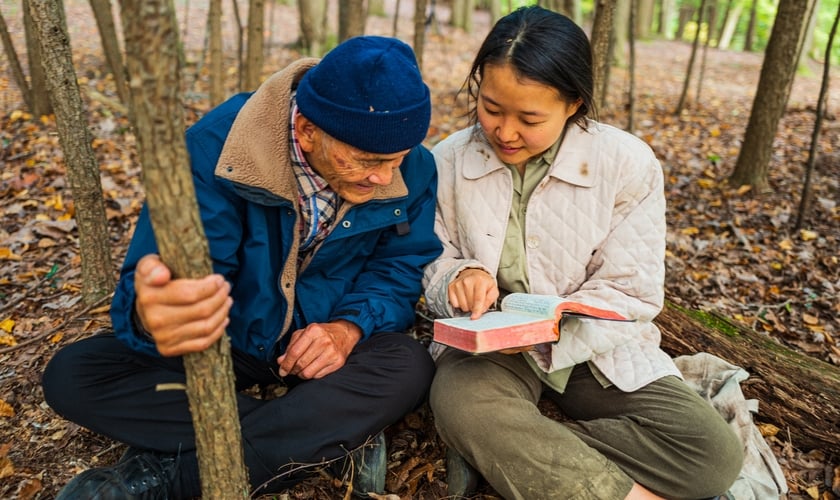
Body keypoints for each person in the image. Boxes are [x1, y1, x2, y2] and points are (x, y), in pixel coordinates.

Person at [42, 35, 442, 499]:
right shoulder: (217, 152)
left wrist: (347, 328)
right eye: (367, 161)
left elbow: (396, 268)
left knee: (407, 365)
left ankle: (163, 481)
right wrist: (154, 316)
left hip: (325, 351)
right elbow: (174, 283)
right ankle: (320, 438)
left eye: (396, 160)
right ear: (309, 130)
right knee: (76, 374)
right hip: (226, 344)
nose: (384, 178)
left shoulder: (412, 168)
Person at [422, 7, 744, 500]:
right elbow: (430, 256)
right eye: (490, 108)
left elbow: (632, 288)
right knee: (463, 406)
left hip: (593, 348)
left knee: (711, 454)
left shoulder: (626, 163)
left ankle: (509, 454)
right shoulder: (447, 160)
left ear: (573, 103)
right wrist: (456, 277)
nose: (505, 132)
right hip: (487, 351)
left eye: (529, 118)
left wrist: (548, 327)